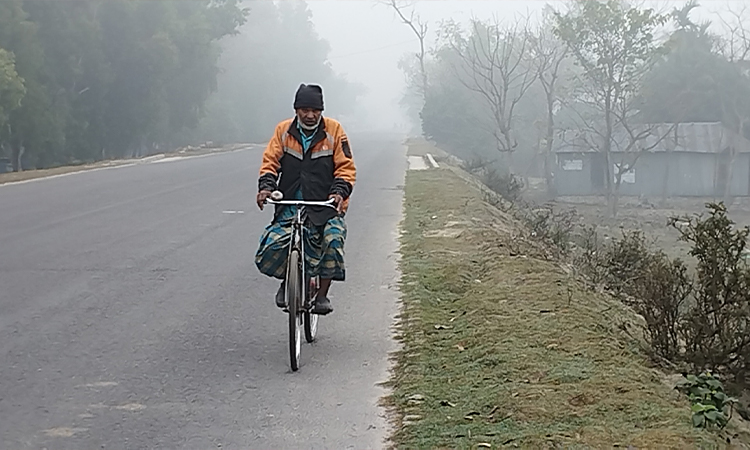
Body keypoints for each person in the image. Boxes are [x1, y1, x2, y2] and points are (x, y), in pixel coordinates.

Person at [255, 84, 356, 315]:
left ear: (321, 111)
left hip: (325, 206)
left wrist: (339, 192)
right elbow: (270, 162)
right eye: (305, 110)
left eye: (315, 110)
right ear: (296, 110)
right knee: (274, 244)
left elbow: (346, 169)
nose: (310, 115)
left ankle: (321, 295)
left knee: (332, 241)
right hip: (291, 203)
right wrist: (266, 188)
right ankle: (286, 281)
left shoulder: (334, 130)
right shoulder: (283, 130)